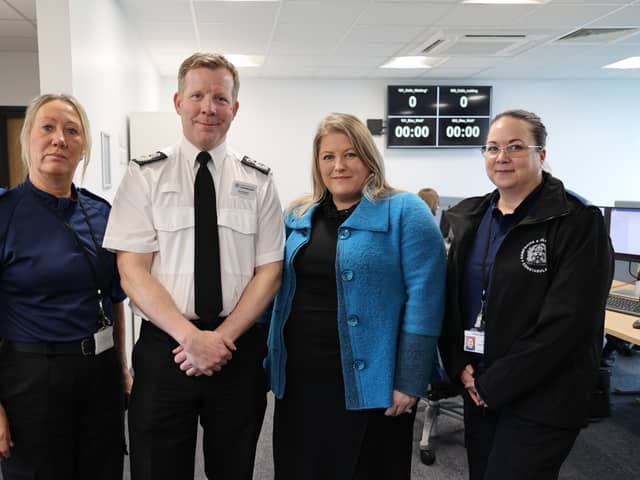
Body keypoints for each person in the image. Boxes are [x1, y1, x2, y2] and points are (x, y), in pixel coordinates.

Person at [103, 53, 284, 480]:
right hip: (165, 349)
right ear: (178, 102)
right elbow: (132, 272)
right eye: (197, 95)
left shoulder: (259, 182)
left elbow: (269, 273)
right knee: (156, 468)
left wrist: (218, 340)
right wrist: (191, 339)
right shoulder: (144, 176)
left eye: (220, 98)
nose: (208, 107)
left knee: (234, 467)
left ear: (234, 109)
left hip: (235, 351)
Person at [265, 112, 446, 480]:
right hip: (301, 377)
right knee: (301, 467)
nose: (339, 166)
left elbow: (425, 302)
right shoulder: (297, 213)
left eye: (350, 154)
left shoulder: (404, 211)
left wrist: (410, 379)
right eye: (328, 156)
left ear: (369, 157)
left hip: (372, 382)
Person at [438, 109, 613, 480]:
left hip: (543, 394)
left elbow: (569, 323)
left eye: (515, 147)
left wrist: (496, 383)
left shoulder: (577, 221)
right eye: (492, 148)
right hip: (477, 386)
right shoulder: (469, 216)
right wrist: (458, 364)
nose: (501, 157)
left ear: (542, 155)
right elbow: (452, 302)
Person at [0, 93, 130, 479]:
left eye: (72, 131)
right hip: (32, 379)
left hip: (99, 375)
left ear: (83, 147)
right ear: (27, 140)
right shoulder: (6, 213)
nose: (60, 139)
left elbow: (114, 297)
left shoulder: (101, 213)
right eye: (48, 127)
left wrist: (121, 366)